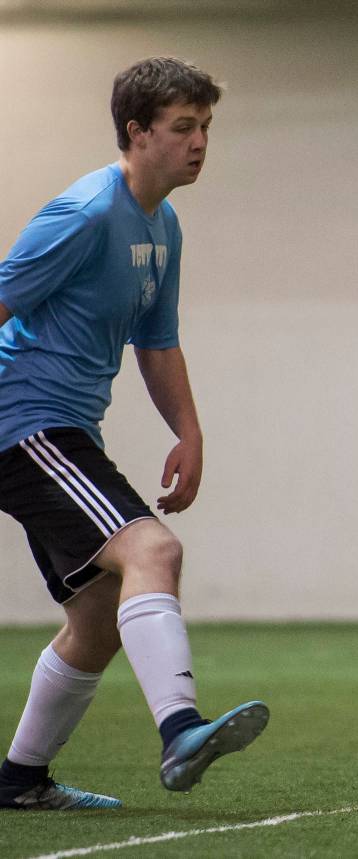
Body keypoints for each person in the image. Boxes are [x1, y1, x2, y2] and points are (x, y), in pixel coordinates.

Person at [0, 57, 268, 811]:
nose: (200, 143)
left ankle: (19, 779)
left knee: (100, 611)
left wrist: (189, 431)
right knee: (153, 549)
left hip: (62, 426)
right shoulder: (83, 216)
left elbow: (157, 339)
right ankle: (180, 729)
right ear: (136, 132)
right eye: (184, 128)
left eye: (206, 127)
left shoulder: (164, 222)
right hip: (22, 422)